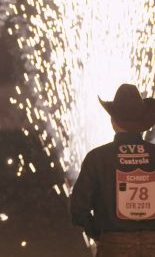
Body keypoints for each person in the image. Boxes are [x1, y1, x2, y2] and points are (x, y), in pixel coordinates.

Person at [71, 84, 155, 257]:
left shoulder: (97, 157)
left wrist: (96, 234)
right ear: (142, 123)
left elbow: (78, 208)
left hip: (114, 246)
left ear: (113, 122)